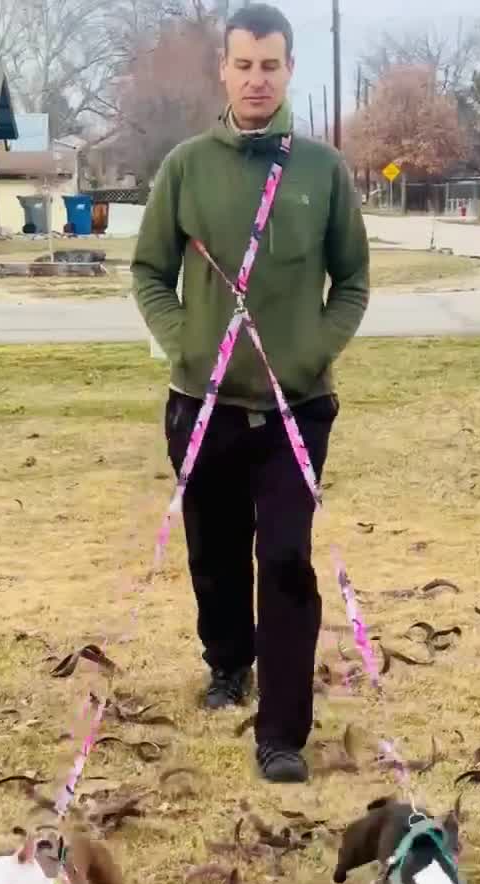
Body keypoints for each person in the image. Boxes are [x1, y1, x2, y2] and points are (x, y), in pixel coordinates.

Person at [131, 2, 369, 784]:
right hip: (201, 406)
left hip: (295, 410)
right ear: (224, 70)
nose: (257, 78)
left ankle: (283, 733)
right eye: (243, 64)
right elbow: (148, 273)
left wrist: (312, 350)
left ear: (289, 69)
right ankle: (228, 661)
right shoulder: (186, 167)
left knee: (289, 560)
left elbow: (354, 281)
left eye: (271, 64)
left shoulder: (322, 170)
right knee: (215, 552)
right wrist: (188, 344)